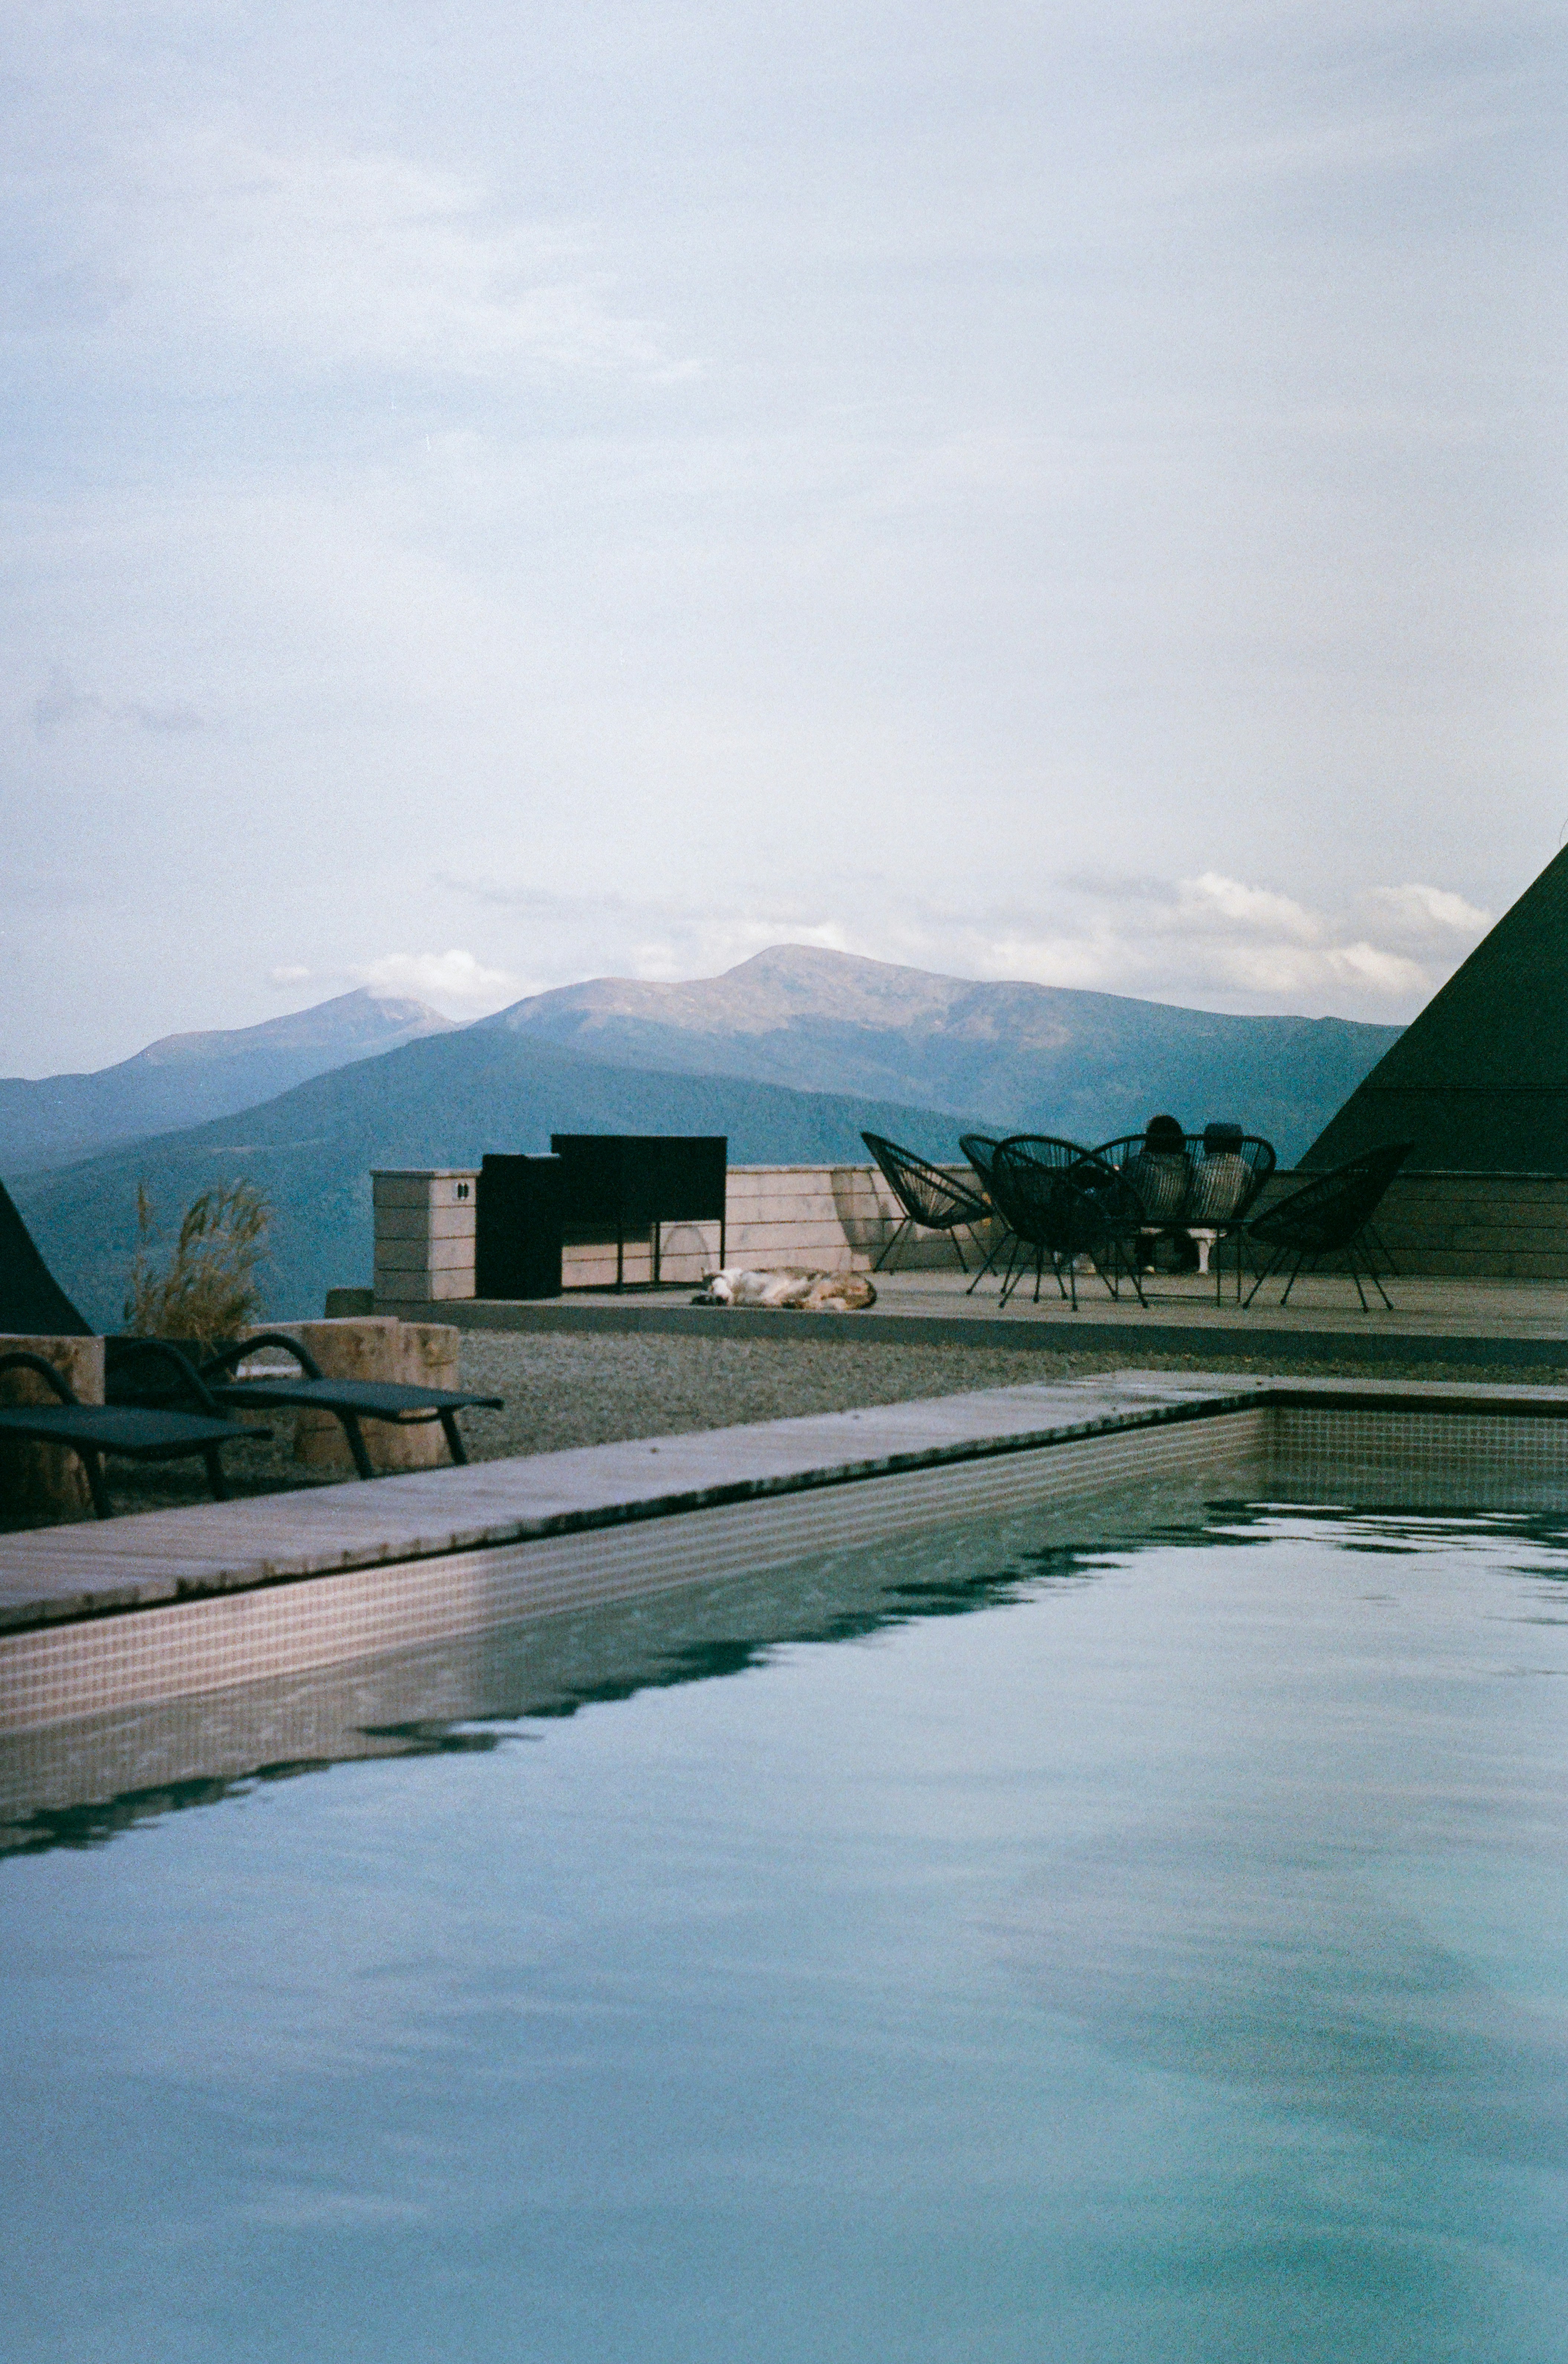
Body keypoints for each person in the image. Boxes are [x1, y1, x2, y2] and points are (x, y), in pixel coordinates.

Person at [1127, 1113, 1198, 1272]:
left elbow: (1124, 1190)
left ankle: (1145, 1259)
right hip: (1174, 1221)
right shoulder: (1187, 1167)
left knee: (1142, 1208)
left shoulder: (1139, 1163)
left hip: (1138, 1220)